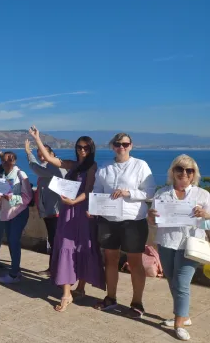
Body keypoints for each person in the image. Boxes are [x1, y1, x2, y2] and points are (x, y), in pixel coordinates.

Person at [30, 127, 105, 311]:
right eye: (79, 147)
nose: (82, 150)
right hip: (68, 211)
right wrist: (37, 139)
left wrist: (74, 201)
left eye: (86, 148)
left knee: (83, 248)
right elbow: (48, 159)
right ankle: (66, 293)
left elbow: (88, 191)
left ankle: (80, 288)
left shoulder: (92, 167)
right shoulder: (72, 165)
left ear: (91, 149)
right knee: (65, 246)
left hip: (82, 210)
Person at [92, 133, 156, 317]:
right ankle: (110, 298)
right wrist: (94, 206)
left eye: (125, 144)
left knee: (135, 262)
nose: (122, 147)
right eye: (118, 144)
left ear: (131, 145)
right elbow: (97, 190)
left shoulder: (140, 165)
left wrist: (128, 193)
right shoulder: (105, 167)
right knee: (109, 259)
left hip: (133, 221)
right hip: (108, 220)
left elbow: (150, 192)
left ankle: (137, 303)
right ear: (112, 146)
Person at [148, 155, 210, 341]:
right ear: (173, 172)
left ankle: (179, 324)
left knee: (182, 284)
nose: (184, 173)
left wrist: (205, 215)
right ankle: (184, 316)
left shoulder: (202, 195)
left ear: (194, 174)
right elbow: (153, 223)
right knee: (172, 282)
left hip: (190, 245)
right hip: (167, 242)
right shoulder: (162, 194)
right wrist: (151, 217)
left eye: (189, 170)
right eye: (180, 169)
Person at [24, 139, 67, 278]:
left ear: (51, 154)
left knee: (56, 241)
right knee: (53, 241)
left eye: (43, 153)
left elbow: (36, 169)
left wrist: (29, 154)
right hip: (49, 211)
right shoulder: (48, 166)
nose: (41, 156)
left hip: (55, 212)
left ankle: (55, 270)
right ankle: (54, 269)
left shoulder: (54, 166)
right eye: (39, 154)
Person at [0, 151, 33, 284]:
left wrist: (10, 197)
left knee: (14, 241)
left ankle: (14, 273)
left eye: (9, 160)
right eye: (4, 161)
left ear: (14, 161)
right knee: (11, 242)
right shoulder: (2, 176)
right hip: (7, 213)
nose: (6, 163)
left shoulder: (21, 175)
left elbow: (27, 198)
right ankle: (15, 271)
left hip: (19, 213)